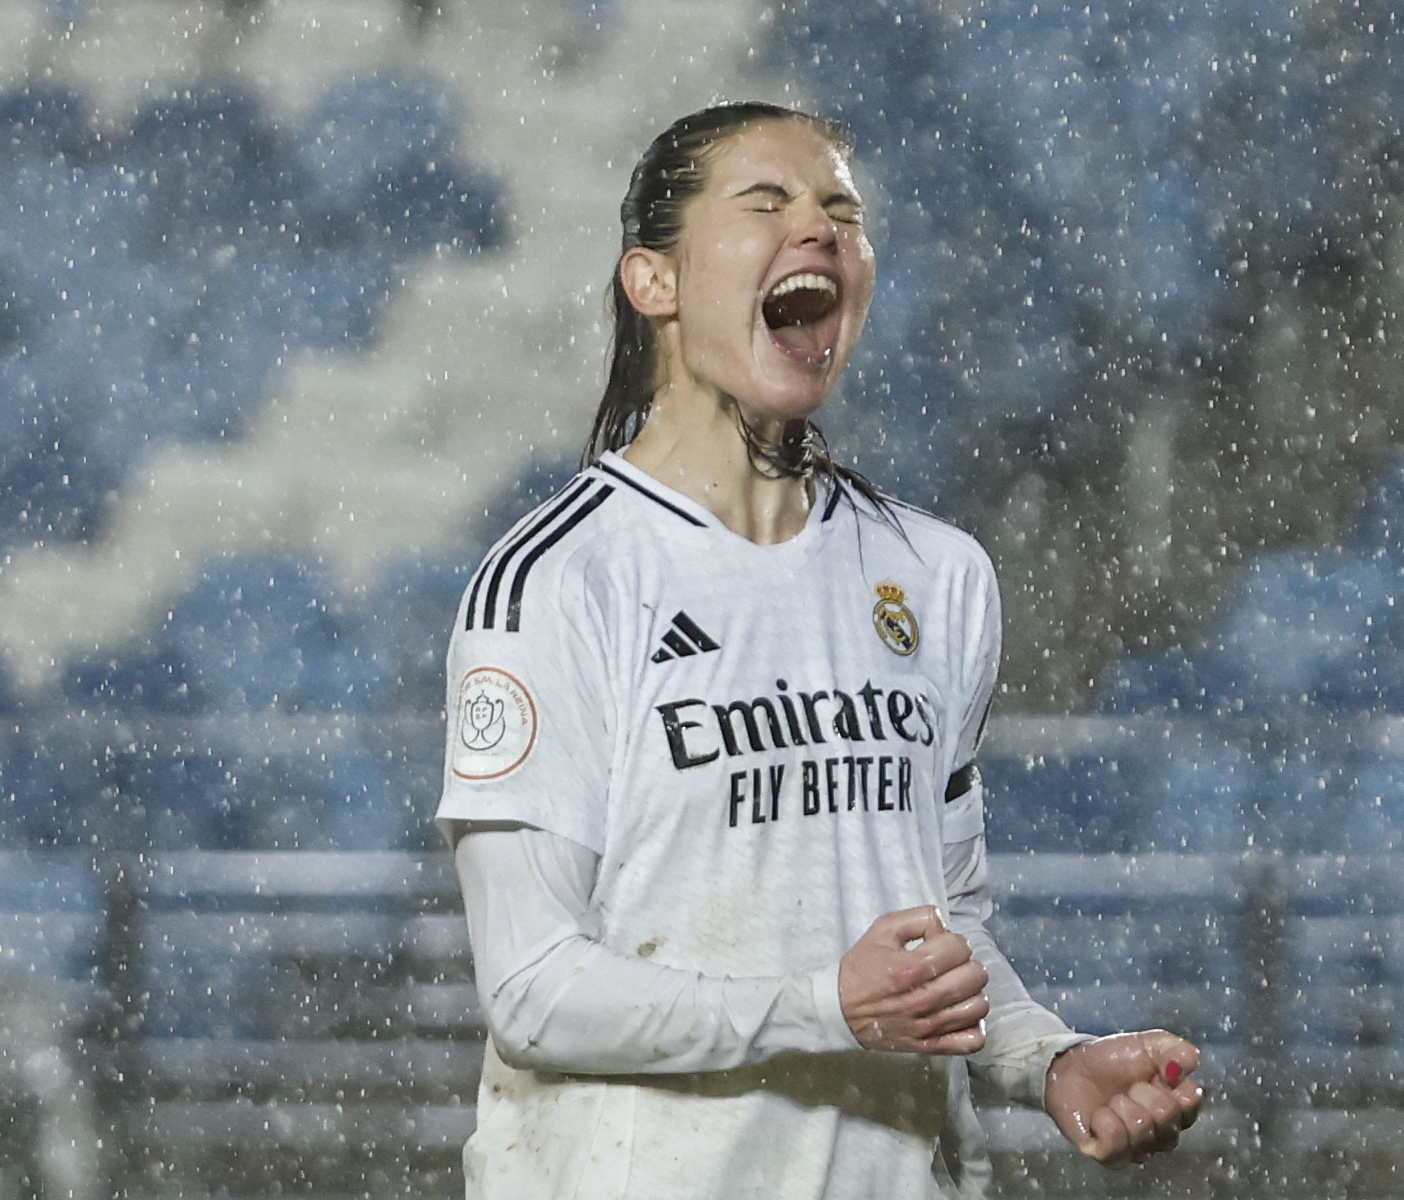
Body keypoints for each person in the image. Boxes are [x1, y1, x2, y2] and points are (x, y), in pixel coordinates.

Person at [436, 101, 1203, 1200]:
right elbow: (532, 989)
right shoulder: (558, 583)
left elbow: (939, 938)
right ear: (651, 281)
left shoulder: (936, 577)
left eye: (843, 210)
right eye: (768, 204)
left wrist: (1047, 1062)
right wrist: (823, 1008)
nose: (822, 231)